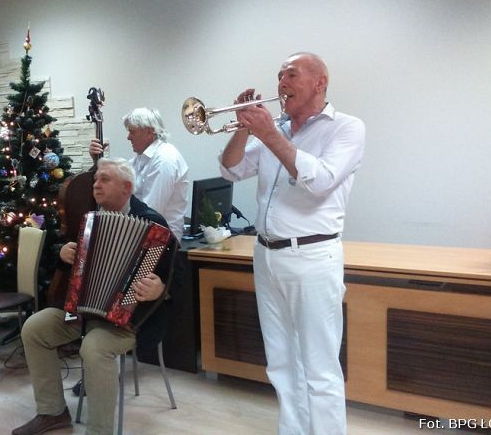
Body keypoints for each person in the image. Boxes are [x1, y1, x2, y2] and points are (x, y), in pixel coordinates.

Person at [219, 52, 365, 435]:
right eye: (279, 75)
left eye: (291, 74)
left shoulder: (346, 128)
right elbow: (230, 168)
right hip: (266, 255)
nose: (281, 83)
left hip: (313, 256)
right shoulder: (278, 129)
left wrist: (267, 133)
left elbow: (319, 182)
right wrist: (241, 127)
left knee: (320, 367)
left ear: (320, 83)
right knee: (281, 363)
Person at [13, 157, 176, 435]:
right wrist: (63, 257)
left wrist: (159, 289)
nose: (96, 185)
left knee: (94, 347)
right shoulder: (88, 219)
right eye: (95, 180)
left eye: (104, 179)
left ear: (127, 188)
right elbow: (71, 270)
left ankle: (100, 431)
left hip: (129, 319)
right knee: (34, 328)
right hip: (84, 311)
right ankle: (53, 412)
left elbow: (177, 278)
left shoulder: (153, 225)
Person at [89, 107, 189, 241]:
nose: (128, 137)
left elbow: (152, 211)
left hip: (159, 242)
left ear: (149, 132)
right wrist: (97, 160)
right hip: (139, 233)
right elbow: (120, 184)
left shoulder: (165, 160)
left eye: (132, 132)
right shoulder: (139, 159)